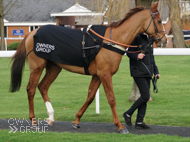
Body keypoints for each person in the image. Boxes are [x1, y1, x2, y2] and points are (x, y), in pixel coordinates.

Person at [123, 33, 160, 129]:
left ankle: (139, 121)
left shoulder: (150, 38)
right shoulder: (136, 37)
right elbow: (128, 52)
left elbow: (151, 57)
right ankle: (128, 113)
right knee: (145, 96)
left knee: (145, 97)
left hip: (147, 72)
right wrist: (136, 56)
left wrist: (155, 71)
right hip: (138, 72)